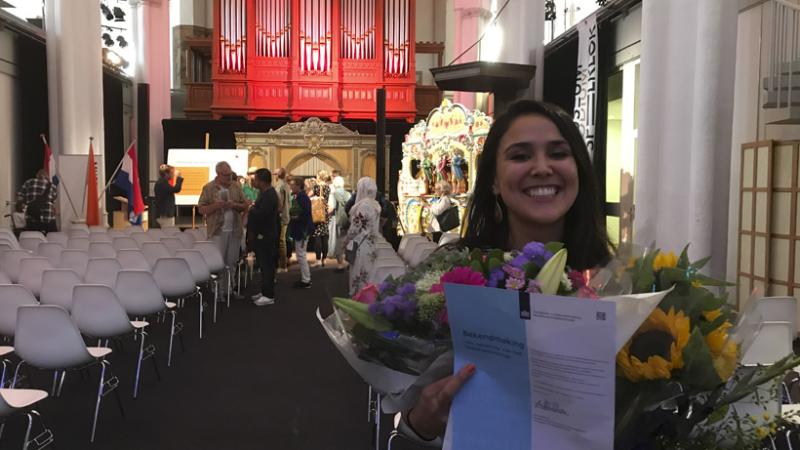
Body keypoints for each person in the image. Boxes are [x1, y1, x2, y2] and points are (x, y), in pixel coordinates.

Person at [402, 100, 613, 441]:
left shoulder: (613, 281)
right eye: (520, 156)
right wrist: (420, 425)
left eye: (558, 153)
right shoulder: (453, 274)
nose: (542, 168)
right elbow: (406, 424)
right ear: (494, 182)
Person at [198, 161, 248, 301]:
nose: (229, 177)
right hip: (217, 231)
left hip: (234, 230)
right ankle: (217, 291)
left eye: (230, 174)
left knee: (231, 261)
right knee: (218, 262)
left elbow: (245, 205)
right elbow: (201, 209)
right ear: (218, 174)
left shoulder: (236, 186)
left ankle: (229, 290)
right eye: (226, 175)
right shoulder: (209, 188)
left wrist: (234, 205)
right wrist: (215, 206)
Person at [343, 177, 382, 296]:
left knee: (359, 273)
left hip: (361, 245)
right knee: (369, 273)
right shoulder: (375, 204)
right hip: (372, 244)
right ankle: (368, 299)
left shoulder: (363, 206)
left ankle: (359, 298)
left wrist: (345, 241)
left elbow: (355, 228)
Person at [246, 168, 280, 306]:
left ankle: (268, 295)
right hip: (264, 234)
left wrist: (251, 209)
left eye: (255, 179)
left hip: (266, 235)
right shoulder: (265, 193)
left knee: (267, 265)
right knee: (263, 264)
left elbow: (261, 214)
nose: (254, 182)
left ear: (261, 180)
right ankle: (264, 290)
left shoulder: (269, 195)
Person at [288, 177, 314, 288]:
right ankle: (305, 278)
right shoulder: (299, 196)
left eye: (293, 185)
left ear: (298, 186)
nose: (291, 187)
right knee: (300, 254)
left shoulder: (302, 197)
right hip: (301, 229)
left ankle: (306, 280)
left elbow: (306, 214)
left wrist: (296, 217)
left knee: (301, 255)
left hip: (302, 230)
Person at [327, 176, 351, 271]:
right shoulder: (348, 194)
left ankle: (340, 264)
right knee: (348, 242)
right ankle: (349, 263)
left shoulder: (333, 194)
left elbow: (331, 208)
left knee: (338, 242)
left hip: (337, 220)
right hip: (347, 221)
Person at [312, 170, 332, 267]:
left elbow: (313, 197)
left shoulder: (317, 187)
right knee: (325, 236)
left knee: (317, 236)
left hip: (317, 212)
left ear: (319, 176)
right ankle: (324, 259)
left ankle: (318, 260)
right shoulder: (328, 187)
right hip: (325, 212)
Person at [273, 168, 292, 273]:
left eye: (274, 174)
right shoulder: (286, 185)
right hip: (286, 215)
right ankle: (282, 264)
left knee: (281, 241)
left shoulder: (280, 186)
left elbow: (279, 204)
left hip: (281, 217)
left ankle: (282, 265)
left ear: (277, 175)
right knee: (282, 240)